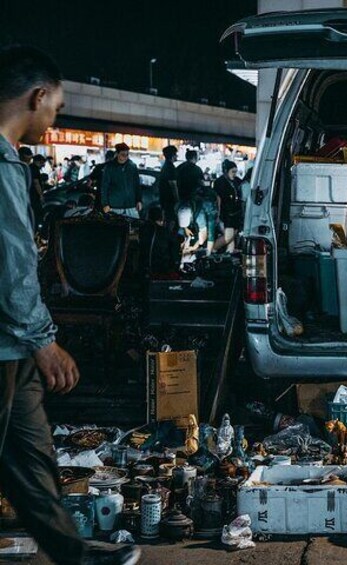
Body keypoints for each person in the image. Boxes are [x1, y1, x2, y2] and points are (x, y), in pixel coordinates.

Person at [0, 44, 140, 565]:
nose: (54, 120)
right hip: (9, 342)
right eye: (55, 108)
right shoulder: (1, 163)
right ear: (37, 97)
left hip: (11, 343)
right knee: (25, 458)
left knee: (33, 460)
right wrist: (44, 340)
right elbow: (11, 261)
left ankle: (73, 554)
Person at [100, 142, 142, 219]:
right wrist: (105, 204)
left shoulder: (132, 167)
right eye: (123, 155)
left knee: (135, 227)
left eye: (127, 155)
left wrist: (139, 200)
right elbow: (104, 187)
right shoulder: (109, 167)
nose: (125, 157)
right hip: (115, 206)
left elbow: (137, 185)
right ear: (117, 154)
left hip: (131, 205)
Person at [140, 206, 183, 278]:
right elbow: (179, 239)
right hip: (160, 266)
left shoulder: (143, 229)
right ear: (161, 219)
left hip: (144, 265)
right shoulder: (164, 231)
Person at [213, 160, 242, 253]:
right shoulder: (220, 182)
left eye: (235, 172)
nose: (234, 174)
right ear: (226, 171)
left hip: (235, 212)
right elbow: (218, 199)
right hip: (225, 213)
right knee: (229, 235)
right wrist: (218, 215)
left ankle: (229, 252)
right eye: (232, 172)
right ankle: (212, 249)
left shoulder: (236, 181)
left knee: (232, 235)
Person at [194, 166, 219, 256]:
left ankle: (205, 251)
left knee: (204, 231)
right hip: (210, 212)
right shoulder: (211, 191)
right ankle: (208, 252)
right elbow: (218, 199)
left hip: (204, 213)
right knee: (210, 233)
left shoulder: (199, 191)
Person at [157, 145, 178, 226]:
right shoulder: (170, 168)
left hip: (164, 199)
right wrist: (177, 199)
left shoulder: (165, 166)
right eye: (176, 154)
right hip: (170, 200)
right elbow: (173, 184)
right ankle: (168, 237)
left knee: (167, 219)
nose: (177, 156)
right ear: (173, 155)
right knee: (171, 220)